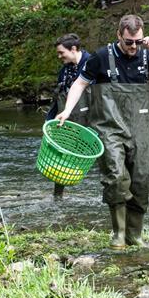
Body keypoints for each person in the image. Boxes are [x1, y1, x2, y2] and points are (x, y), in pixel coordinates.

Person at [58, 15, 149, 249]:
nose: (133, 47)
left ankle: (135, 235)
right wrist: (66, 111)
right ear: (119, 35)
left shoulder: (148, 55)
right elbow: (80, 84)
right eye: (128, 42)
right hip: (109, 128)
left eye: (137, 41)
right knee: (115, 177)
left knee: (143, 181)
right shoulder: (101, 57)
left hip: (142, 130)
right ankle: (119, 233)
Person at [48, 34, 92, 199]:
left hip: (91, 123)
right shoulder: (64, 71)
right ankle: (57, 197)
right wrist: (49, 121)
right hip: (67, 122)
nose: (59, 57)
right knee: (61, 157)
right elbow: (57, 98)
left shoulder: (92, 64)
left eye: (61, 53)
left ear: (73, 49)